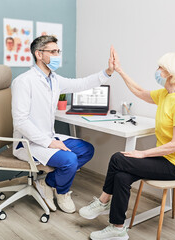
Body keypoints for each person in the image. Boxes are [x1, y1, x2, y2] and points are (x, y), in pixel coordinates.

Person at [79, 49, 175, 240]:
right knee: (122, 176)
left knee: (118, 159)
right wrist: (120, 70)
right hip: (164, 158)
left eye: (161, 68)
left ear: (172, 74)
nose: (157, 70)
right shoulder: (166, 94)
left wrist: (143, 154)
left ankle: (103, 201)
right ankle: (118, 228)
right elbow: (140, 92)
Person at [11, 35, 114, 214]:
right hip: (27, 143)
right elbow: (20, 121)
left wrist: (107, 72)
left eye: (58, 51)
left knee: (86, 149)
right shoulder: (23, 81)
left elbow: (81, 84)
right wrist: (49, 143)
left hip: (48, 137)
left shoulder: (54, 79)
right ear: (39, 54)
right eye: (52, 51)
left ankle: (47, 182)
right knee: (70, 159)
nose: (57, 55)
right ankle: (62, 191)